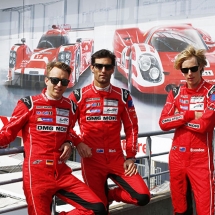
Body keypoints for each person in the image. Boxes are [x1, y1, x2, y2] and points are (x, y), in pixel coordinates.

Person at [0, 61, 106, 215]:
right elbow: (7, 134)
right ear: (47, 80)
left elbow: (69, 130)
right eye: (55, 80)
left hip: (62, 173)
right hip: (37, 176)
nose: (59, 85)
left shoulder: (70, 106)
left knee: (97, 208)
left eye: (64, 82)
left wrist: (71, 142)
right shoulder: (29, 104)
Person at [68, 49, 150, 212]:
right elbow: (66, 127)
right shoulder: (78, 95)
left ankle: (111, 194)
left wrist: (131, 156)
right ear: (92, 68)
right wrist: (78, 143)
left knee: (142, 196)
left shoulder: (123, 95)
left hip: (117, 158)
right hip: (91, 159)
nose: (103, 71)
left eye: (107, 67)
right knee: (99, 209)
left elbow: (131, 127)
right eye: (99, 66)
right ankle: (104, 200)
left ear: (113, 69)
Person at [159, 45, 215, 215]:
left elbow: (204, 125)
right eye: (185, 70)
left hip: (201, 159)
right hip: (177, 158)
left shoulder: (211, 91)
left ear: (201, 68)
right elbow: (163, 123)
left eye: (193, 68)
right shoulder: (175, 92)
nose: (189, 73)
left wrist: (177, 119)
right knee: (180, 208)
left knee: (206, 209)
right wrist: (189, 115)